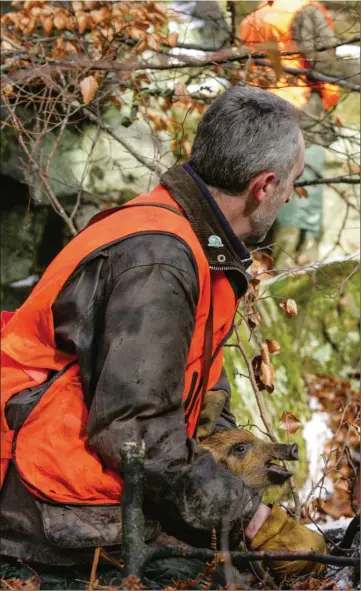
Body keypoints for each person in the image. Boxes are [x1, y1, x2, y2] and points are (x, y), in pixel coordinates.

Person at [1, 87, 325, 578]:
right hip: (47, 500)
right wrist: (251, 521)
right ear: (264, 185)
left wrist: (227, 463)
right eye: (292, 185)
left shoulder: (198, 240)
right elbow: (135, 431)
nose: (288, 198)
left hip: (88, 482)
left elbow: (197, 394)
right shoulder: (160, 261)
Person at [240, 0, 360, 266]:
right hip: (300, 116)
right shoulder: (303, 12)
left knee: (261, 195)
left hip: (258, 117)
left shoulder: (258, 14)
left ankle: (255, 269)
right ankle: (291, 270)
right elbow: (324, 66)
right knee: (299, 203)